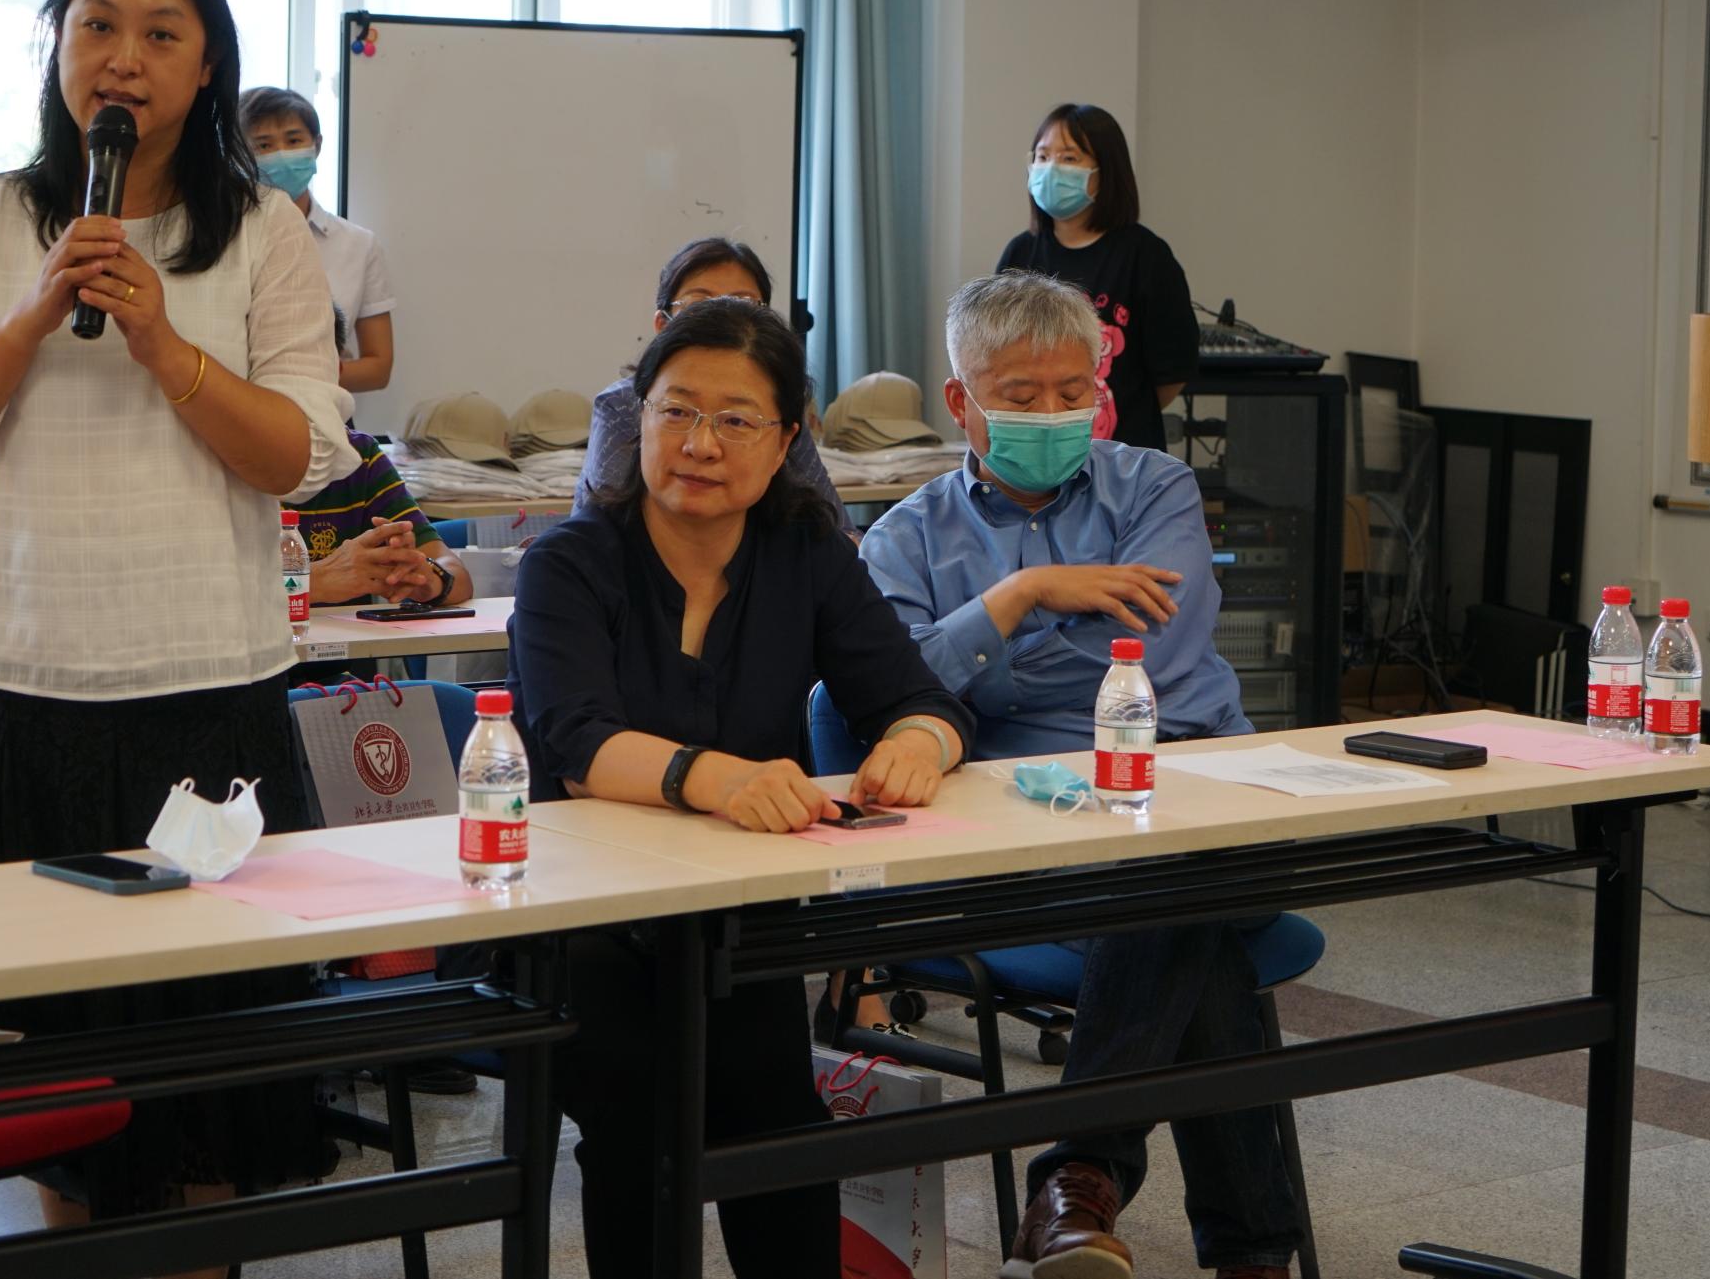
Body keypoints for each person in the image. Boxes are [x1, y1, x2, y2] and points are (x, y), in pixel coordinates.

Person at [0, 0, 354, 1244]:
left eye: (160, 32)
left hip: (206, 702)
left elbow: (302, 454)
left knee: (204, 1085)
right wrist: (36, 311)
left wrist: (163, 345)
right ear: (57, 45)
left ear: (206, 67)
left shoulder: (259, 231)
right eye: (97, 24)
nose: (123, 58)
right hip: (25, 696)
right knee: (53, 1076)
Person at [512, 299, 973, 1279]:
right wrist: (717, 779)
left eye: (735, 419)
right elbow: (576, 744)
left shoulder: (806, 555)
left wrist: (920, 742)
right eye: (676, 411)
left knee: (779, 1127)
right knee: (644, 1120)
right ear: (639, 418)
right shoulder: (568, 562)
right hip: (577, 923)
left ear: (785, 440)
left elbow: (917, 695)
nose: (700, 444)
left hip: (736, 922)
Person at [859, 272, 1303, 1279]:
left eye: (1073, 392)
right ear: (961, 399)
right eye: (1021, 394)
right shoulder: (905, 537)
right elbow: (889, 688)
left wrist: (986, 665)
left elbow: (1156, 658)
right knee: (1188, 912)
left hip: (1202, 786)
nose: (1053, 413)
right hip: (1033, 828)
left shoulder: (1153, 487)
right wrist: (1024, 594)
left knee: (1173, 868)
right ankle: (1249, 1253)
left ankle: (1079, 1179)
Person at [573, 237, 844, 518]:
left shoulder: (773, 407)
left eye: (743, 305)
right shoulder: (622, 402)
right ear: (663, 326)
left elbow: (835, 524)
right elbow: (600, 523)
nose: (722, 324)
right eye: (677, 412)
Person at [996, 104, 1197, 454]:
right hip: (1034, 453)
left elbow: (1171, 374)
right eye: (1042, 156)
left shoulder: (1146, 256)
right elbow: (996, 358)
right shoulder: (1020, 253)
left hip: (1123, 456)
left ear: (1106, 170)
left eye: (1069, 158)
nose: (1051, 168)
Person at [239, 86, 395, 394]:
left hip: (326, 412)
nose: (281, 154)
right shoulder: (222, 239)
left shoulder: (358, 245)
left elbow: (378, 368)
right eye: (264, 145)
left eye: (293, 140)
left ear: (317, 145)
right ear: (241, 155)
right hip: (240, 410)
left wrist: (301, 377)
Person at [295, 428, 472, 608]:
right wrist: (315, 581)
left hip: (346, 627)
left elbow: (459, 580)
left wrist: (429, 580)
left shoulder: (356, 454)